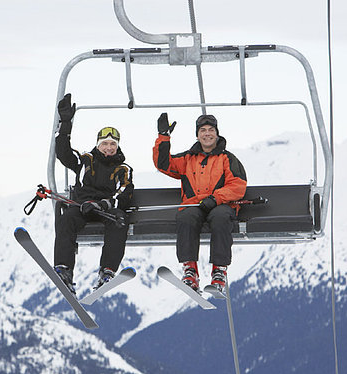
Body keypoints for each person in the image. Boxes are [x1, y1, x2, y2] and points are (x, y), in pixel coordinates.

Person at [152, 113, 247, 296]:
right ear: (197, 135)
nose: (207, 134)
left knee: (221, 218)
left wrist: (216, 198)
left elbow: (237, 185)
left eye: (211, 130)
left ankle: (219, 270)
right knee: (186, 216)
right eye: (203, 130)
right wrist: (164, 136)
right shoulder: (188, 158)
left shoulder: (227, 159)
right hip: (195, 204)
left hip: (220, 204)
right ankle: (190, 270)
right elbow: (163, 164)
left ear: (217, 134)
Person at [53, 93, 134, 295]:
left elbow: (124, 192)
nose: (108, 148)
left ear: (118, 146)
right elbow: (63, 153)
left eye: (112, 144)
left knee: (119, 220)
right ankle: (64, 269)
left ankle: (107, 271)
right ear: (98, 145)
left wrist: (105, 205)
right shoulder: (85, 161)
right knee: (68, 218)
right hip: (82, 206)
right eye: (105, 144)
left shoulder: (123, 168)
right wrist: (65, 125)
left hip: (106, 209)